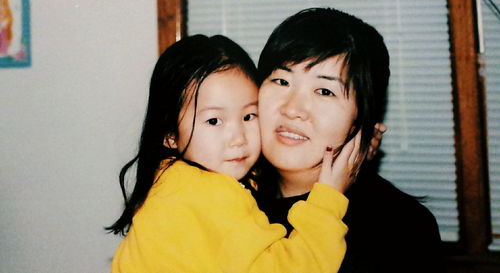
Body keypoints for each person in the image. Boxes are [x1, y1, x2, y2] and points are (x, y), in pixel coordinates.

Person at [107, 34, 362, 272]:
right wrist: (328, 201)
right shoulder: (207, 196)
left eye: (249, 116)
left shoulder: (172, 182)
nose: (238, 138)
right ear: (170, 135)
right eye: (214, 121)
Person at [253, 7, 444, 273]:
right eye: (282, 81)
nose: (292, 108)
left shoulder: (399, 227)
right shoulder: (224, 199)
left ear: (361, 121)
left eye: (324, 91)